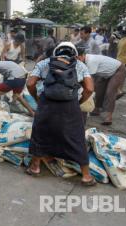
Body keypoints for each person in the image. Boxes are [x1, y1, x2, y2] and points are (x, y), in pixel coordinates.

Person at [25, 42, 96, 185]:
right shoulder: (80, 65)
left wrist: (37, 99)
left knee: (40, 133)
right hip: (70, 105)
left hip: (47, 103)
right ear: (74, 53)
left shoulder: (45, 63)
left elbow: (30, 83)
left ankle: (35, 167)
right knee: (75, 136)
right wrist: (79, 102)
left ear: (56, 52)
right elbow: (89, 88)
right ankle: (86, 176)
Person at [79, 51, 126, 125]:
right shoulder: (84, 60)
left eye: (78, 57)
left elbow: (90, 80)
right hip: (105, 73)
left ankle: (109, 116)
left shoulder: (91, 61)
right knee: (99, 91)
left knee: (110, 92)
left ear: (82, 55)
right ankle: (97, 109)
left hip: (118, 70)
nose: (77, 60)